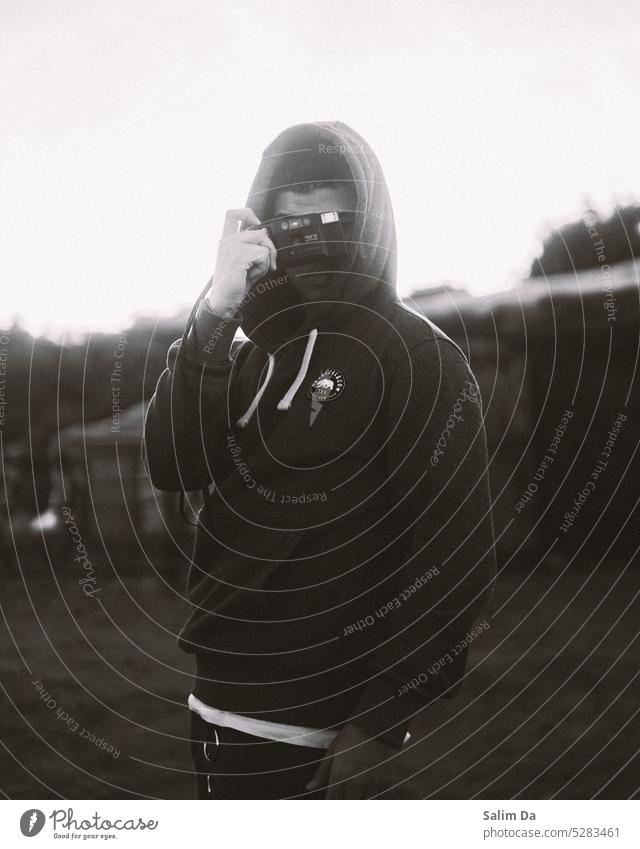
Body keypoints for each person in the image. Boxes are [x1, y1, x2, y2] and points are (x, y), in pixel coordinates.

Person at [143, 121, 496, 799]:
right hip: (217, 666)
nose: (306, 233)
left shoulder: (416, 355)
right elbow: (173, 462)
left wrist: (385, 711)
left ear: (367, 221)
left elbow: (456, 548)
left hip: (308, 695)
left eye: (328, 215)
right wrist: (215, 313)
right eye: (286, 218)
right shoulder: (246, 351)